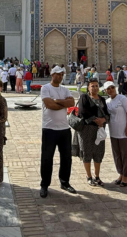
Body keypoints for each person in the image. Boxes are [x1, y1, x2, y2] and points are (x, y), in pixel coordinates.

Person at [39, 66, 76, 198]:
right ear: (52, 74)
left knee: (66, 158)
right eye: (58, 74)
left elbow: (72, 102)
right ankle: (44, 184)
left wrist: (58, 101)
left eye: (62, 75)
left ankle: (65, 182)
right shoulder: (46, 88)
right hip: (49, 128)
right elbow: (49, 105)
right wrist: (63, 103)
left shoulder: (65, 89)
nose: (60, 77)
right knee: (47, 158)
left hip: (64, 129)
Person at [76, 80, 109, 187]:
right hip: (87, 130)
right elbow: (82, 112)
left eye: (96, 86)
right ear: (88, 88)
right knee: (87, 152)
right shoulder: (84, 98)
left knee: (98, 152)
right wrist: (96, 120)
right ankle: (89, 176)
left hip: (99, 130)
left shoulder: (102, 99)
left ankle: (97, 176)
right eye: (92, 86)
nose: (95, 88)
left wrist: (103, 120)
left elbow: (108, 114)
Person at [103, 81, 127, 187]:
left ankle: (126, 176)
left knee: (126, 154)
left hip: (125, 132)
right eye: (108, 88)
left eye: (112, 87)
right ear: (105, 91)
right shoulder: (107, 102)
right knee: (117, 154)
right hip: (114, 131)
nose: (110, 90)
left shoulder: (122, 99)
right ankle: (121, 174)